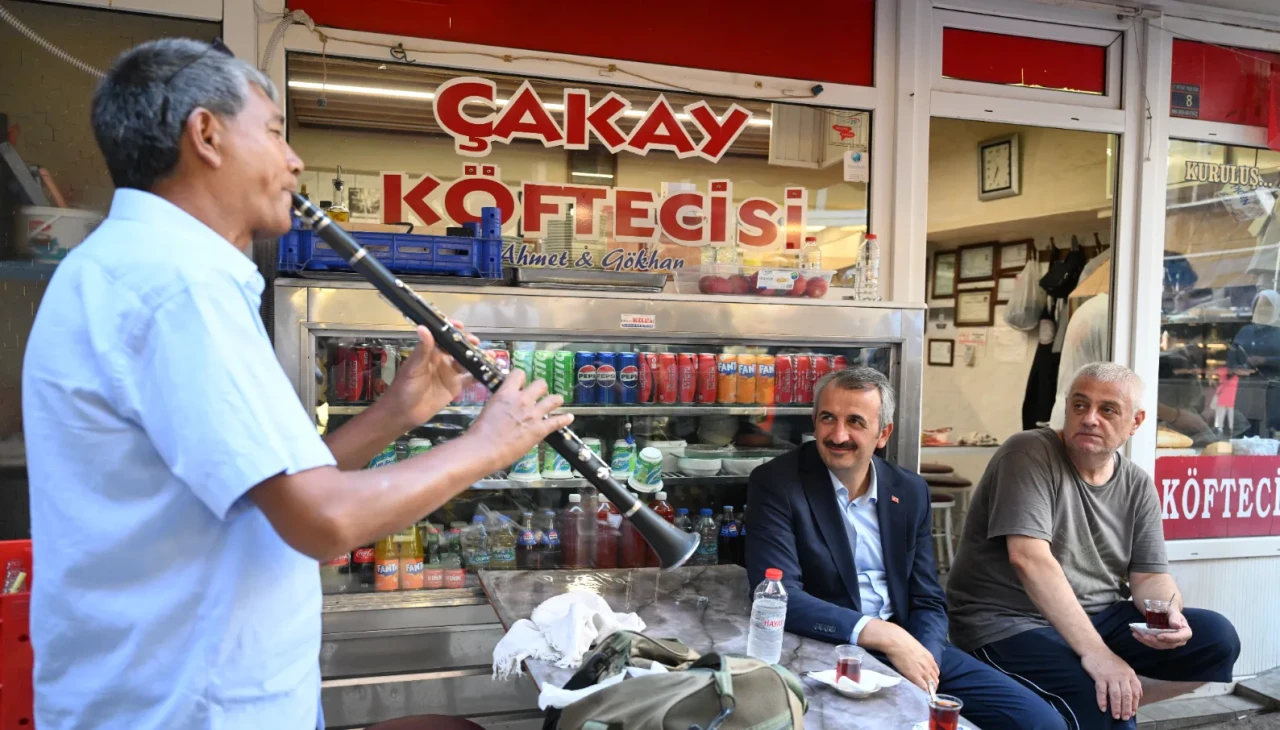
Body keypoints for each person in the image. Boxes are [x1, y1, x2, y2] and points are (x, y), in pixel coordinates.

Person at [21, 38, 574, 730]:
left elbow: (266, 489)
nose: (294, 160)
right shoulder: (175, 285)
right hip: (186, 709)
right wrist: (490, 444)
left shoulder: (138, 267)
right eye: (277, 132)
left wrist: (398, 412)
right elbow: (323, 520)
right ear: (207, 135)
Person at [746, 367, 1067, 730]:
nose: (838, 434)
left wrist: (922, 655)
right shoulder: (777, 483)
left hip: (912, 646)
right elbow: (778, 596)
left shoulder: (910, 491)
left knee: (1042, 724)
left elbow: (927, 597)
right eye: (828, 418)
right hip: (830, 647)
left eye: (855, 422)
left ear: (883, 433)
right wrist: (885, 635)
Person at [947, 362, 1240, 730]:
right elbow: (1029, 559)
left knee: (1216, 639)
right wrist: (1098, 655)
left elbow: (1149, 574)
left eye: (1108, 409)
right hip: (1007, 623)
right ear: (1067, 408)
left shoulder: (1136, 483)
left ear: (1135, 422)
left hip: (1096, 616)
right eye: (1080, 406)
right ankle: (1101, 701)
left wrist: (1168, 615)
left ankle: (1110, 696)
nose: (1089, 418)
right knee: (1105, 704)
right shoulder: (1028, 453)